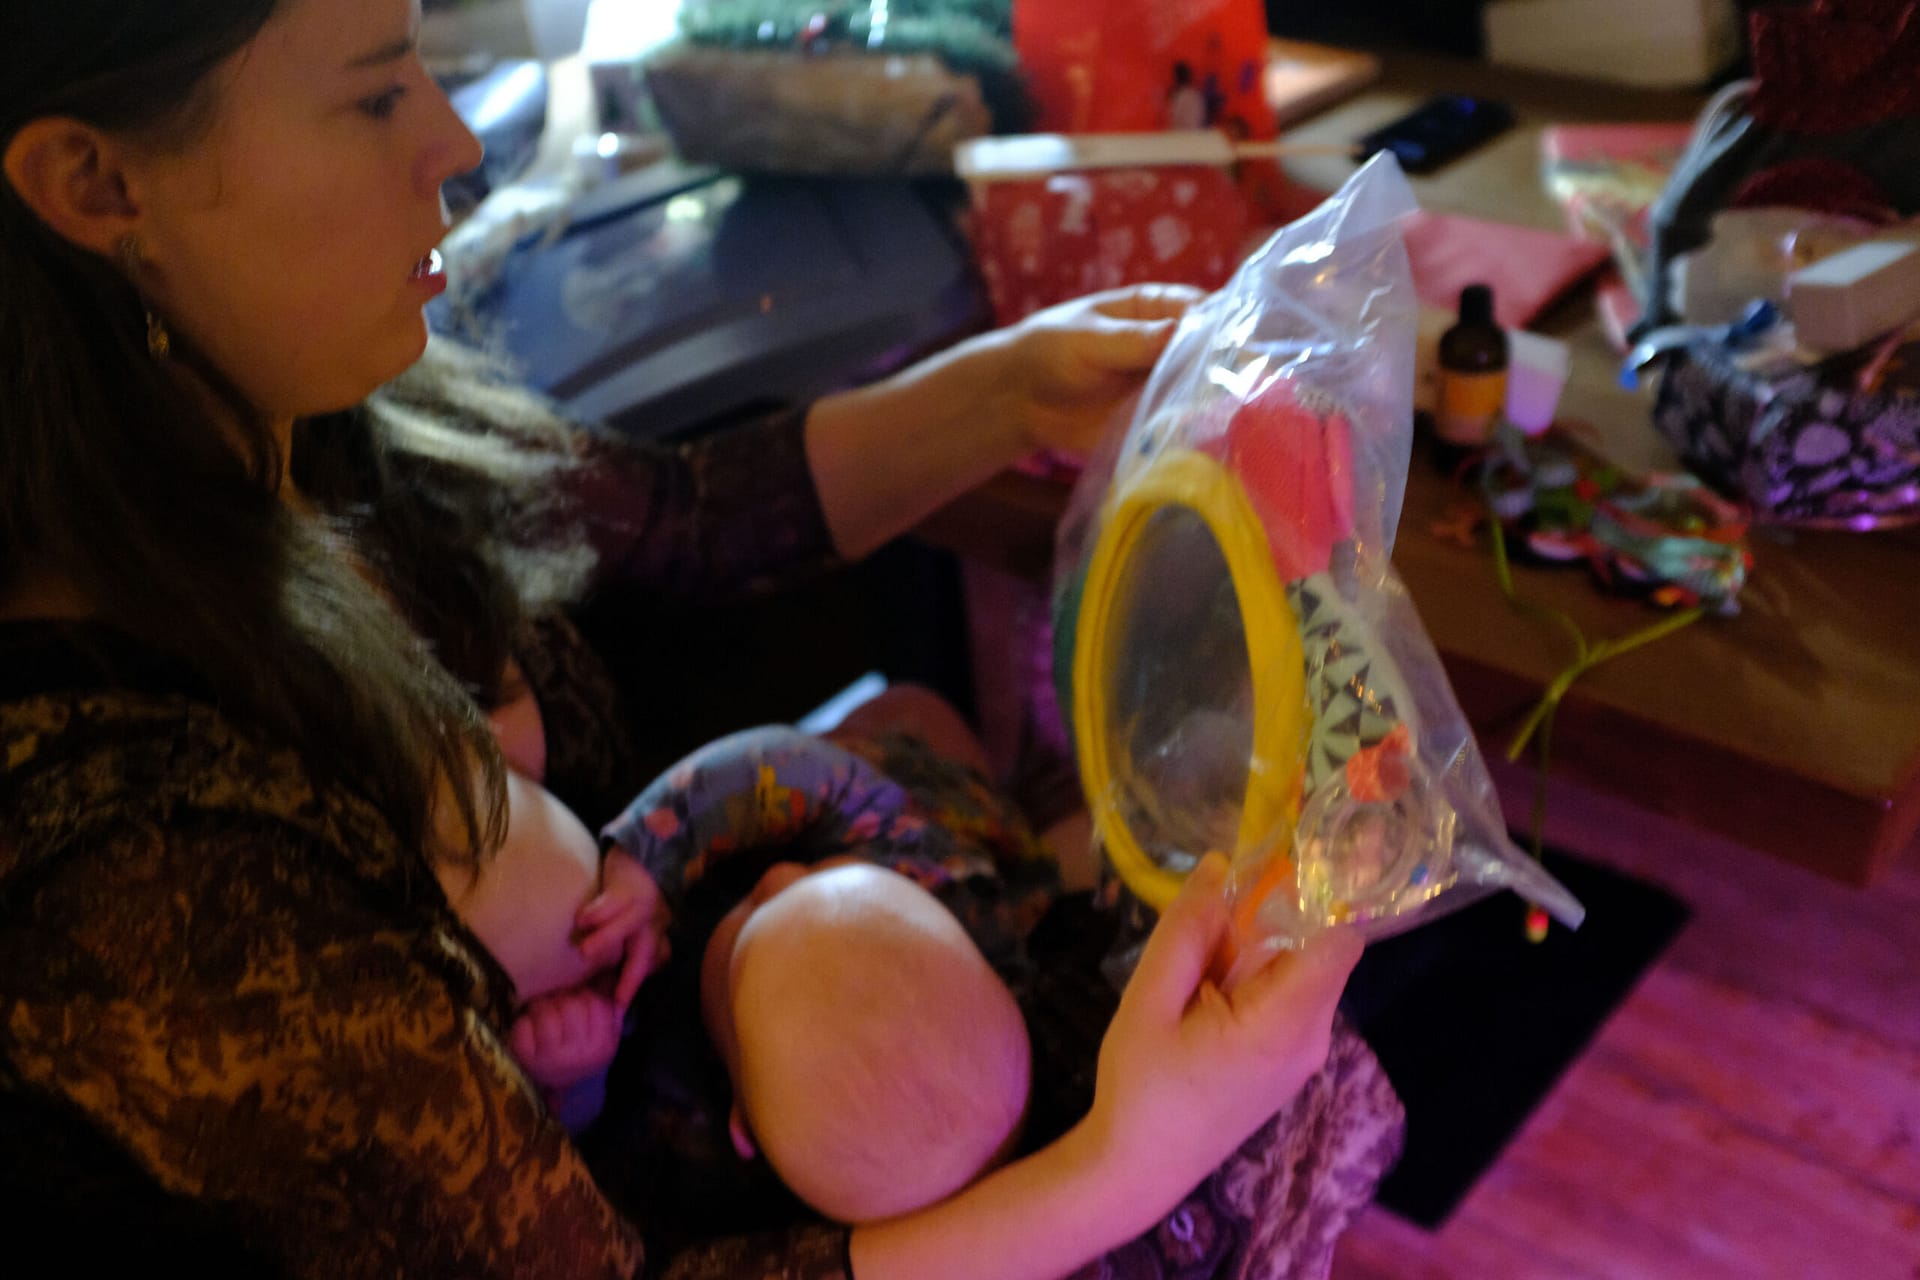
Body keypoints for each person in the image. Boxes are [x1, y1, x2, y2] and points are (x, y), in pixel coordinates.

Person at [0, 2, 1398, 1277]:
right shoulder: (141, 899)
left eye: (423, 56)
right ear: (96, 185)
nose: (452, 141)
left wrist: (1019, 390)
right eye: (374, 95)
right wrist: (1128, 1163)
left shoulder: (294, 402)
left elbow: (678, 518)